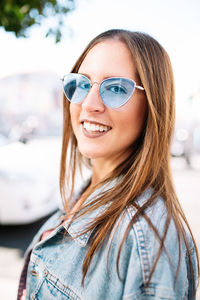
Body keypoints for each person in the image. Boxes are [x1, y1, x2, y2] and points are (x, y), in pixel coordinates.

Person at [18, 29, 199, 299]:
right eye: (81, 84)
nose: (89, 104)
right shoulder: (84, 193)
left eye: (115, 88)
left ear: (153, 106)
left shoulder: (148, 241)